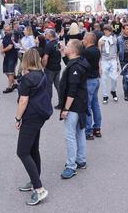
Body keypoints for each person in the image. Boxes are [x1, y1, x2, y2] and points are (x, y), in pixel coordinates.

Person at [15, 49, 51, 206]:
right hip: (40, 115)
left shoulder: (27, 78)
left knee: (22, 152)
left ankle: (39, 188)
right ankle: (35, 179)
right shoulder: (41, 74)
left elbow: (23, 101)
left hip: (30, 116)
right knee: (33, 149)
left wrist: (17, 118)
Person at [58, 39, 89, 179]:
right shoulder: (78, 62)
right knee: (79, 131)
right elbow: (69, 64)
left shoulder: (76, 66)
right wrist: (62, 53)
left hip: (75, 105)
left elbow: (72, 90)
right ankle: (81, 159)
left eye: (68, 45)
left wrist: (65, 108)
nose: (66, 46)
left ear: (74, 50)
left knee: (70, 135)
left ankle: (71, 165)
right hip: (81, 103)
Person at [82, 32, 102, 140]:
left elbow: (81, 64)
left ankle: (88, 131)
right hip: (95, 79)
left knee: (88, 106)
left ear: (88, 40)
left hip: (89, 80)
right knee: (95, 105)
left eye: (84, 39)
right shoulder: (96, 50)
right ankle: (97, 128)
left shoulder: (86, 52)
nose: (83, 40)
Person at [99, 24, 119, 104]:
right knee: (104, 79)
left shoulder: (114, 39)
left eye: (108, 30)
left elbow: (116, 50)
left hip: (113, 60)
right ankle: (105, 96)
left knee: (114, 78)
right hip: (104, 60)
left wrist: (117, 63)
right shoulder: (101, 40)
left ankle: (113, 91)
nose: (106, 32)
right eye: (105, 30)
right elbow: (99, 52)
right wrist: (99, 64)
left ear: (110, 31)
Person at [41, 28, 62, 105]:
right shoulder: (57, 43)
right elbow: (59, 53)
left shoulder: (48, 45)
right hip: (57, 67)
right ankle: (61, 102)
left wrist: (44, 66)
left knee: (48, 86)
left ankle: (47, 103)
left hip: (50, 68)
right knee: (58, 85)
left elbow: (45, 58)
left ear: (49, 35)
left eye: (46, 34)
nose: (45, 35)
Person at [1, 25, 19, 93]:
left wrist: (3, 50)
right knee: (6, 71)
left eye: (8, 30)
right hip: (7, 56)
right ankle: (14, 84)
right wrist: (2, 51)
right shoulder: (5, 36)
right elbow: (2, 43)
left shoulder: (13, 36)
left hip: (12, 56)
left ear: (10, 29)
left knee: (11, 72)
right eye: (5, 31)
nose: (7, 32)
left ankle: (9, 87)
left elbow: (10, 46)